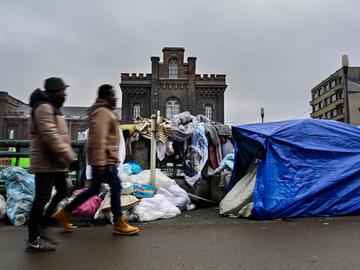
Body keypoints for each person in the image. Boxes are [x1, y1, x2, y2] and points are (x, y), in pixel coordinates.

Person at [53, 84, 139, 235]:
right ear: (106, 96)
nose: (116, 97)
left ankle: (65, 213)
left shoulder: (103, 112)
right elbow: (98, 139)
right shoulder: (102, 113)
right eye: (113, 95)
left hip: (104, 160)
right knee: (116, 187)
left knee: (93, 190)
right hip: (104, 161)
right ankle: (119, 222)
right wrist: (101, 162)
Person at [26, 77, 77, 251]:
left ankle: (44, 225)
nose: (65, 93)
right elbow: (50, 136)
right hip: (46, 160)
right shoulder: (43, 107)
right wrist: (69, 155)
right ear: (56, 91)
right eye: (63, 90)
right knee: (42, 198)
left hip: (55, 161)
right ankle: (34, 237)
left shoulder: (53, 107)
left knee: (63, 190)